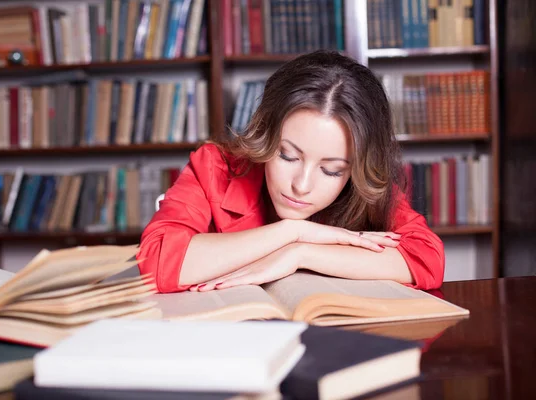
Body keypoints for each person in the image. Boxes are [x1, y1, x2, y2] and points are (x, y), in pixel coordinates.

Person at [138, 50, 444, 294]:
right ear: (266, 133)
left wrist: (300, 253)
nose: (302, 185)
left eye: (331, 170)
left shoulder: (365, 187)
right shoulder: (215, 166)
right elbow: (154, 262)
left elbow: (427, 257)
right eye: (287, 155)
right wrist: (292, 232)